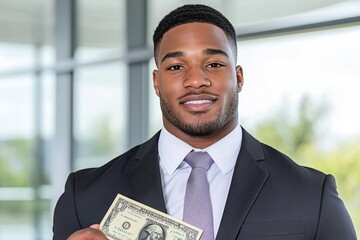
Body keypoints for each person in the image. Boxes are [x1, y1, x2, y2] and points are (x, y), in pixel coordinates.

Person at [53, 4, 357, 240]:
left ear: (238, 76)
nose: (196, 80)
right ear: (156, 83)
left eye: (213, 64)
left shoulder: (312, 194)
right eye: (175, 66)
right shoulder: (86, 196)